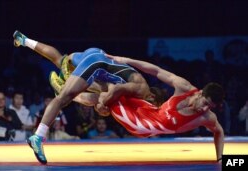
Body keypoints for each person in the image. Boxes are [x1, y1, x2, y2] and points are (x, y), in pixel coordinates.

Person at [13, 30, 151, 164]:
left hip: (95, 54)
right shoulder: (139, 92)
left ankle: (24, 40)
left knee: (61, 60)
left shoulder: (137, 87)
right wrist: (103, 105)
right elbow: (109, 90)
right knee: (66, 98)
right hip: (96, 63)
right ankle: (38, 136)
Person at [104, 54, 225, 163]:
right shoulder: (184, 87)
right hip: (148, 111)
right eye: (205, 103)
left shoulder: (207, 117)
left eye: (210, 107)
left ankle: (100, 86)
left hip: (143, 126)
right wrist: (127, 59)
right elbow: (156, 71)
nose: (204, 109)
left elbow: (219, 131)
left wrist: (220, 158)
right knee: (123, 89)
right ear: (200, 93)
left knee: (109, 94)